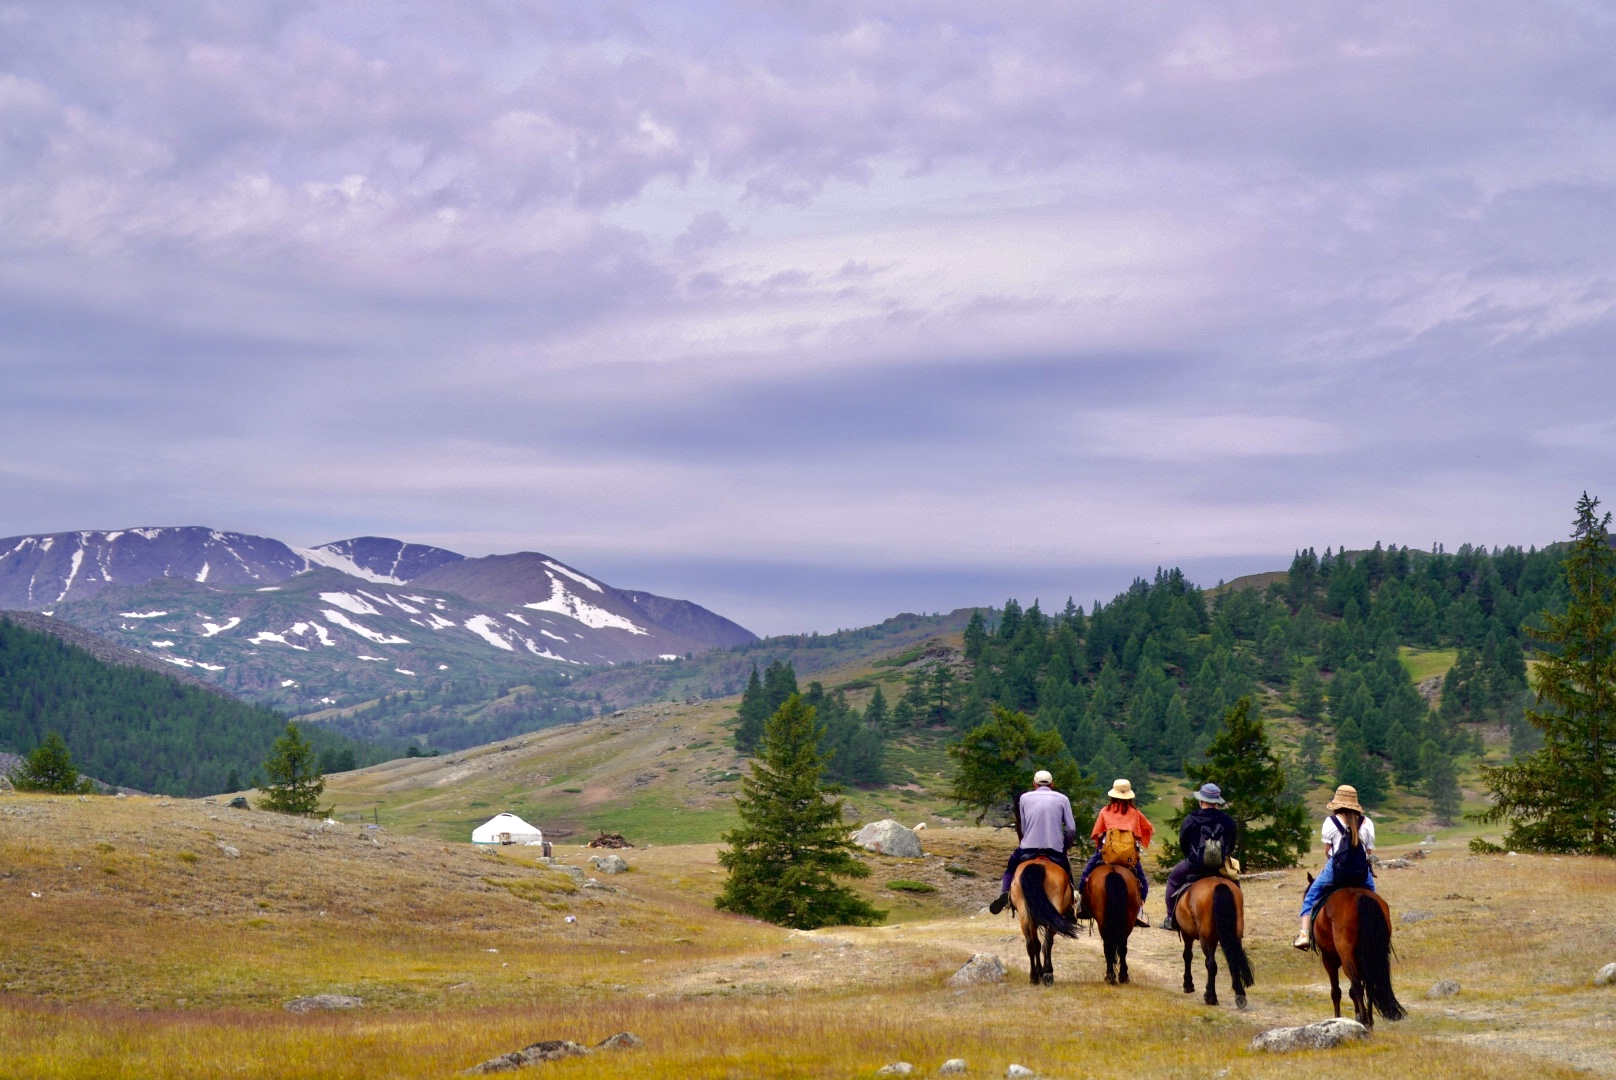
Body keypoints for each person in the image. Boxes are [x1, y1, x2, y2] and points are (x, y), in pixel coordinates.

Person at [1294, 784, 1376, 949]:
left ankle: (1304, 935)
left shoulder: (1330, 822)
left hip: (1336, 870)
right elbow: (1368, 851)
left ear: (1337, 804)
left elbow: (1328, 851)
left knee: (1310, 896)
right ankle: (1375, 933)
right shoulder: (1367, 822)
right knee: (1373, 901)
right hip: (1361, 872)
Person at [988, 769, 1077, 916]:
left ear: (1034, 784)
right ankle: (1071, 902)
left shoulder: (1024, 798)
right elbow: (1071, 829)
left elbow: (1023, 825)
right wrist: (1064, 846)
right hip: (1054, 849)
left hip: (1028, 848)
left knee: (1011, 868)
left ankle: (1005, 893)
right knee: (1068, 873)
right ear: (1052, 784)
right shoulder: (1063, 799)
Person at [1160, 782, 1239, 931]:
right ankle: (1236, 918)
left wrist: (1191, 858)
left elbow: (1183, 843)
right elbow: (1232, 844)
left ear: (1201, 800)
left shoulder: (1190, 819)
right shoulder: (1228, 820)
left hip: (1194, 864)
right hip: (1220, 865)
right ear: (1217, 802)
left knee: (1172, 879)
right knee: (1236, 886)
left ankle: (1171, 917)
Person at [1076, 779, 1154, 928]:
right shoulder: (1135, 813)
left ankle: (1082, 906)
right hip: (1128, 858)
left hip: (1106, 855)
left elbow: (1097, 834)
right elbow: (1148, 830)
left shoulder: (1105, 811)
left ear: (1112, 795)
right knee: (1142, 882)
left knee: (1085, 875)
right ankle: (1139, 910)